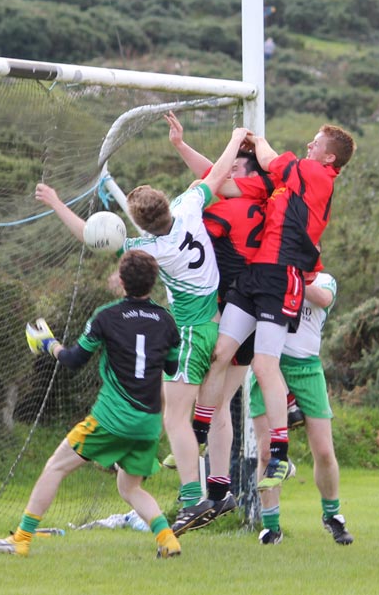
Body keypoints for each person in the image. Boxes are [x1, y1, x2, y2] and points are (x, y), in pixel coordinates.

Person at [34, 125, 252, 536]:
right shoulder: (189, 205)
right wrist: (234, 137)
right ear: (168, 204)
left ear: (139, 224)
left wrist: (57, 202)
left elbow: (90, 236)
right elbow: (218, 172)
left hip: (190, 334)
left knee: (175, 420)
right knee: (191, 407)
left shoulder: (151, 249)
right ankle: (200, 485)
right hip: (213, 324)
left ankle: (193, 500)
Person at [0, 250, 183, 559]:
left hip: (111, 419)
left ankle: (22, 539)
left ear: (121, 281)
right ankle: (168, 539)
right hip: (148, 424)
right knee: (129, 487)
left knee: (55, 466)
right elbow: (172, 369)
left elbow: (74, 360)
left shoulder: (106, 316)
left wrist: (48, 343)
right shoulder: (166, 320)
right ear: (153, 282)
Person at [197, 125, 356, 493]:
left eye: (314, 143)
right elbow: (222, 184)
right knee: (220, 353)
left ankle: (280, 455)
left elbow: (268, 159)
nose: (307, 144)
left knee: (265, 365)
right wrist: (190, 164)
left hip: (282, 276)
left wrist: (247, 137)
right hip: (256, 275)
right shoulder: (283, 184)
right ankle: (198, 432)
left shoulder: (316, 172)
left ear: (328, 157)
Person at [250, 267, 354, 546]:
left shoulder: (325, 280)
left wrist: (291, 280)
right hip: (270, 365)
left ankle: (332, 516)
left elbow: (323, 298)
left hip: (307, 369)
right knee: (265, 452)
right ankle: (271, 527)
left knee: (323, 450)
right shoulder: (274, 271)